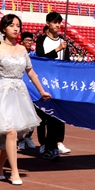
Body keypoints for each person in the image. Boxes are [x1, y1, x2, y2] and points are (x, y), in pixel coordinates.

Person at [0, 14, 50, 185]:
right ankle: (14, 172)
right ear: (4, 28)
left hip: (19, 94)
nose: (16, 28)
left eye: (18, 25)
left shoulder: (22, 50)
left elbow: (30, 71)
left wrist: (42, 91)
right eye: (12, 25)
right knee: (10, 132)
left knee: (12, 134)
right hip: (3, 93)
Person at [35, 11, 71, 159]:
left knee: (58, 116)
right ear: (48, 23)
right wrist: (57, 49)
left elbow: (67, 63)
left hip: (59, 83)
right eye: (55, 22)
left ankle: (55, 144)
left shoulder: (63, 41)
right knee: (44, 115)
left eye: (59, 22)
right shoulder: (42, 40)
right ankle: (45, 144)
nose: (57, 25)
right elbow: (40, 57)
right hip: (45, 82)